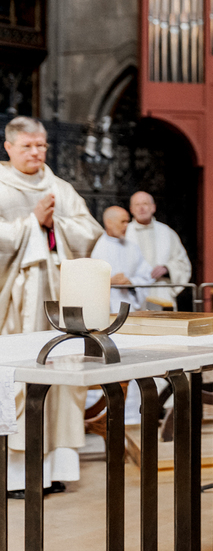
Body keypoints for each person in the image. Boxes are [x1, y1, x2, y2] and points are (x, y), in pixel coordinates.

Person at [0, 116, 102, 495]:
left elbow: (89, 230)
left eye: (41, 145)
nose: (36, 152)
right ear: (9, 147)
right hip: (13, 307)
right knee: (18, 381)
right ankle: (16, 477)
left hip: (57, 303)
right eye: (27, 146)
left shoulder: (60, 187)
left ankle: (54, 471)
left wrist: (53, 225)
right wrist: (31, 223)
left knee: (60, 381)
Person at [125, 191, 191, 307]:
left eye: (145, 204)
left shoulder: (166, 232)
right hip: (132, 292)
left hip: (161, 290)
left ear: (153, 207)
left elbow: (183, 263)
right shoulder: (124, 233)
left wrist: (167, 268)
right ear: (131, 209)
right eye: (137, 204)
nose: (141, 208)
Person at [91, 206, 154, 310]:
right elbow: (88, 283)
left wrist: (131, 282)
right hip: (106, 309)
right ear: (109, 223)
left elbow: (146, 275)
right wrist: (108, 281)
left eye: (127, 222)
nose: (126, 226)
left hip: (131, 307)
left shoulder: (132, 247)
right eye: (123, 222)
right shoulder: (97, 249)